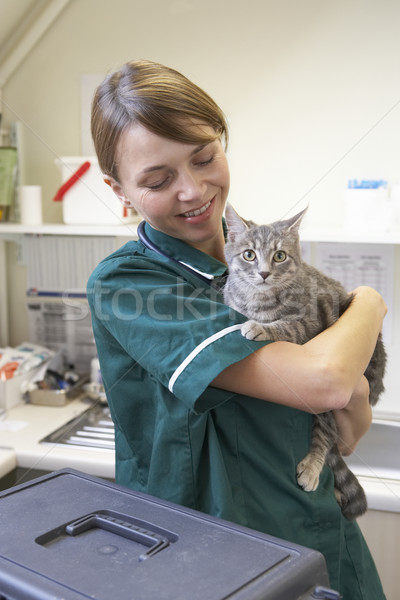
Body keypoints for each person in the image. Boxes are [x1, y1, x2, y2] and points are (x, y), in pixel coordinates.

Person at [87, 59, 387, 599]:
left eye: (205, 158)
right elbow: (326, 382)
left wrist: (354, 384)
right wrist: (371, 302)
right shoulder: (129, 283)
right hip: (208, 550)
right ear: (120, 189)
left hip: (320, 525)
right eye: (158, 180)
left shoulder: (260, 266)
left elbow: (350, 421)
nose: (193, 190)